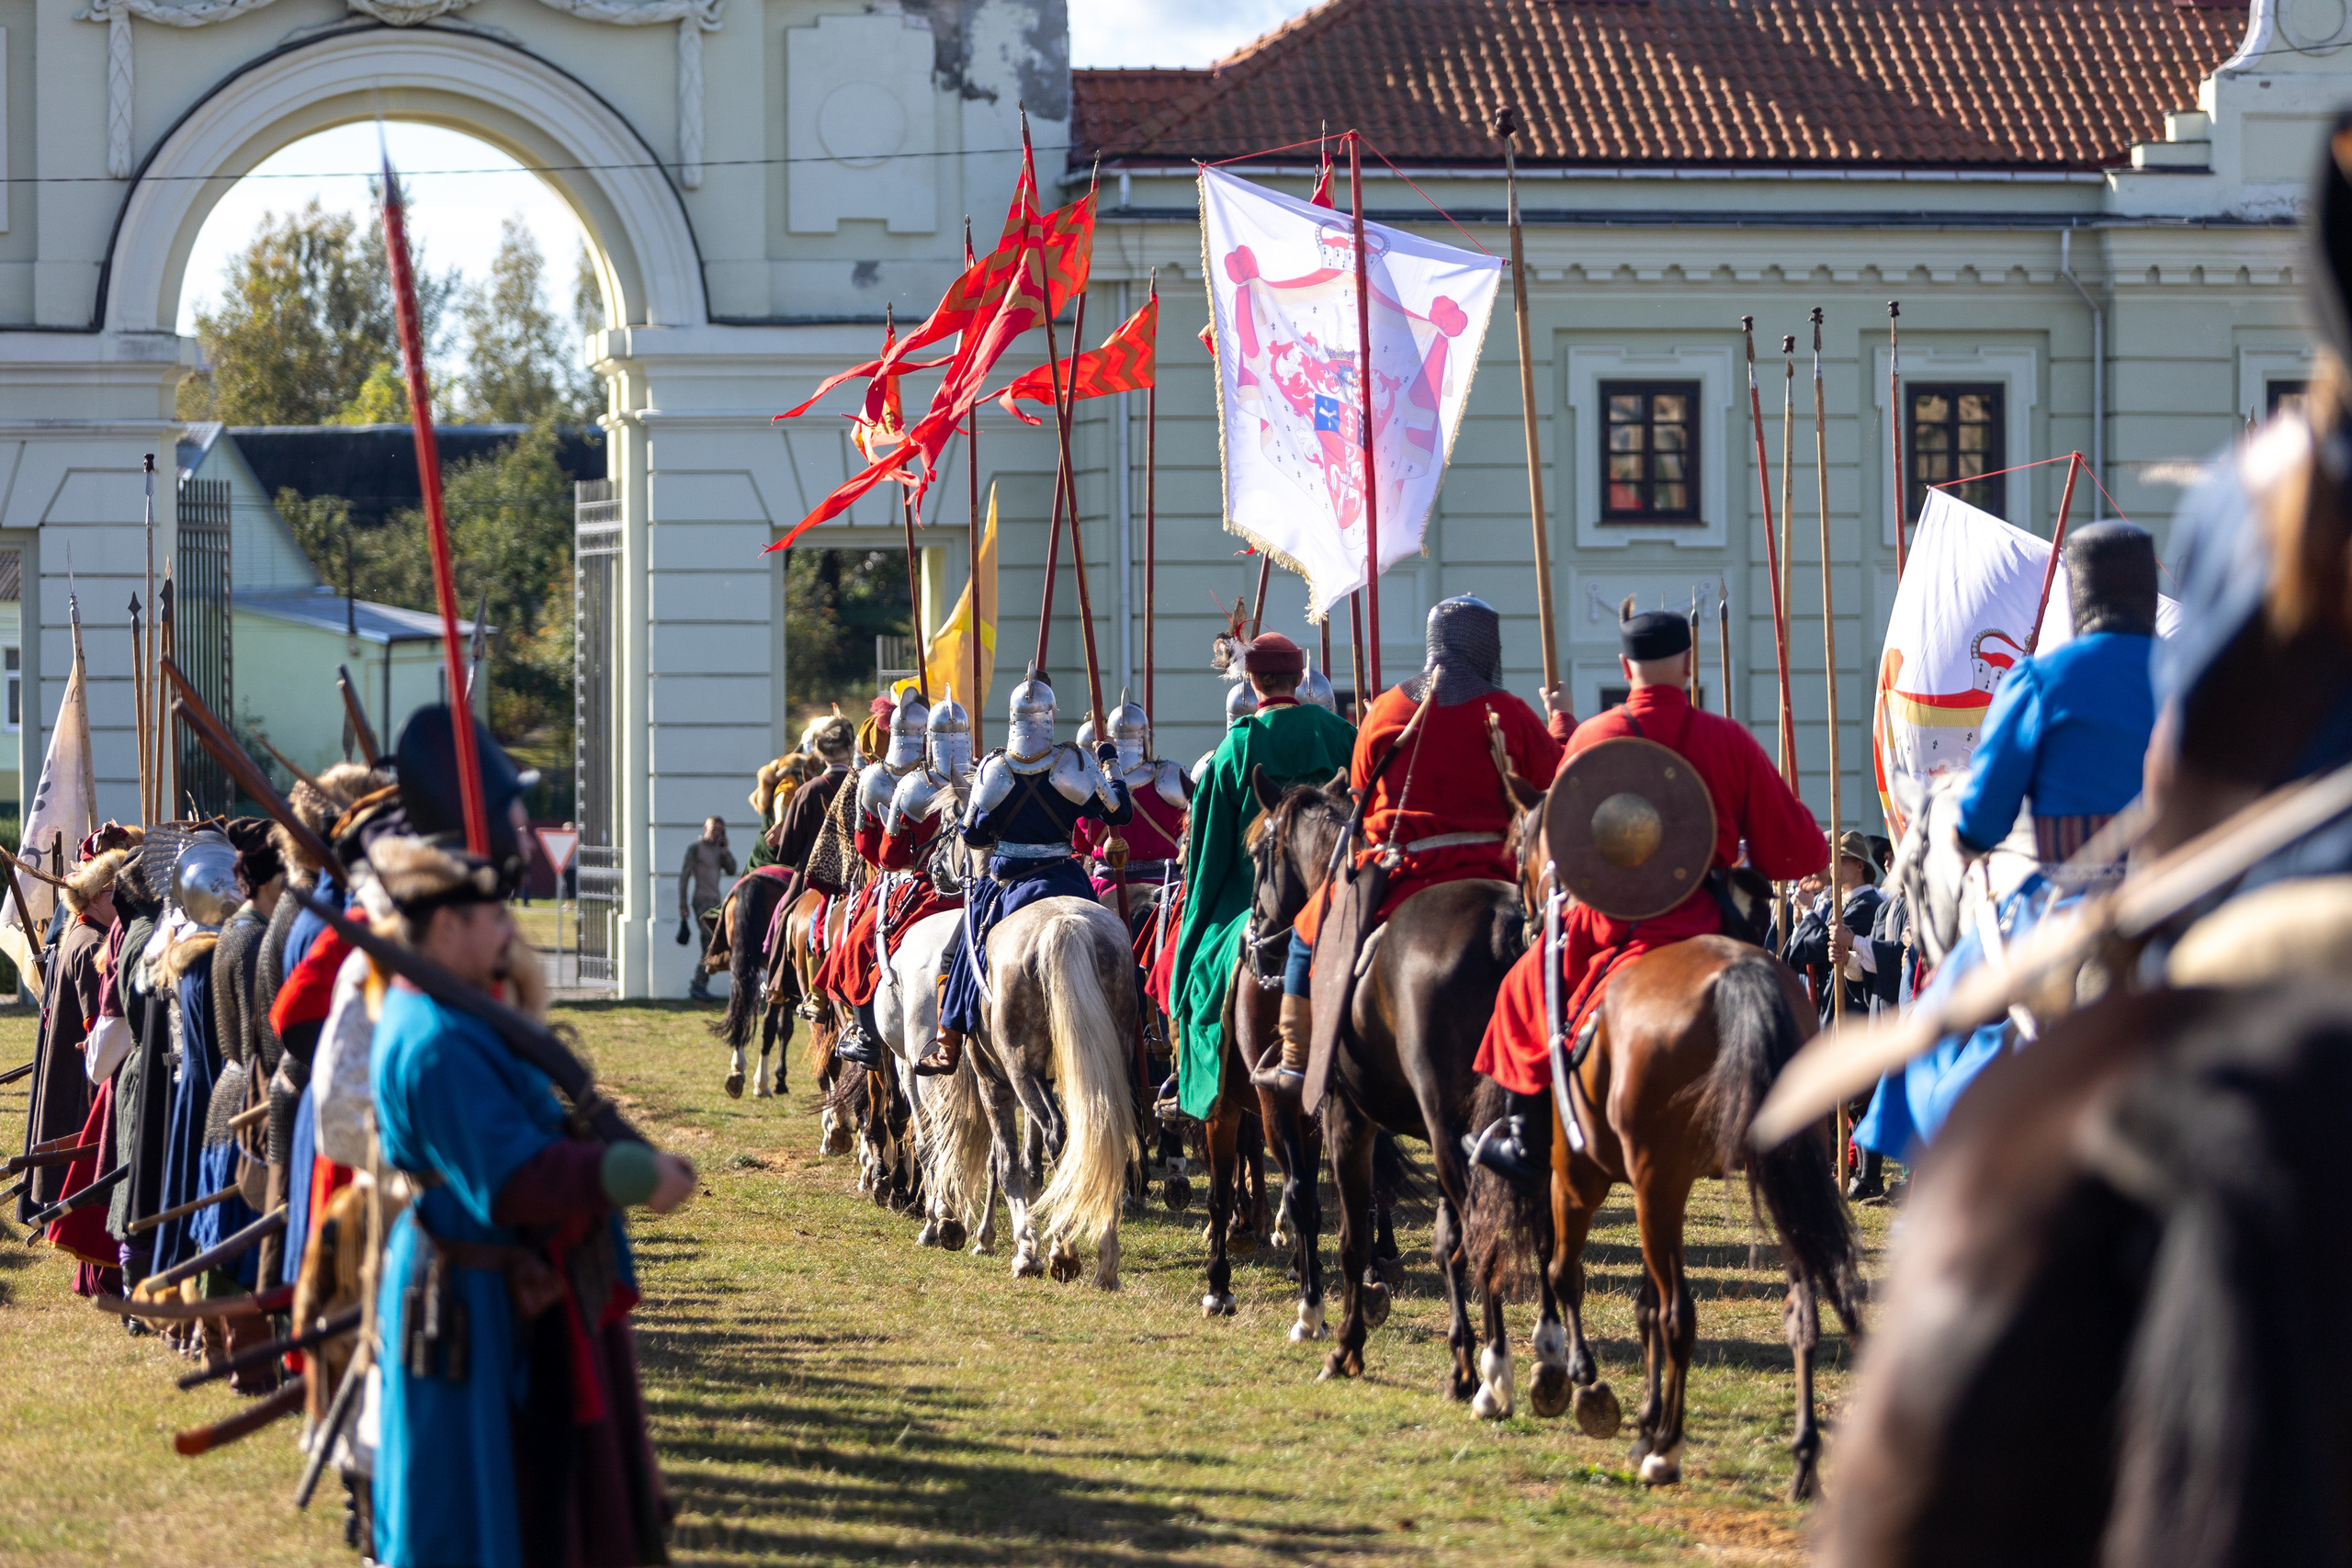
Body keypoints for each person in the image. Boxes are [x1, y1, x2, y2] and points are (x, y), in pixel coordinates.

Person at [368, 827, 695, 1568]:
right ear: (447, 926)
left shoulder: (453, 1013)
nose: (510, 928)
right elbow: (512, 1180)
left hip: (511, 1283)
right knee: (482, 1509)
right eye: (494, 916)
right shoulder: (435, 1040)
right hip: (476, 1295)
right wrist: (634, 1177)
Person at [1469, 609, 1826, 1187]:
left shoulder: (1594, 736)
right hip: (1708, 921)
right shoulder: (1728, 739)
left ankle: (1524, 1137)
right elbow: (1799, 854)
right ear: (1689, 665)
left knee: (1520, 990)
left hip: (1610, 926)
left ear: (1624, 667)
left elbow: (1562, 836)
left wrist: (1564, 728)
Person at [1854, 521, 2161, 1163]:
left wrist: (1962, 829)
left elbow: (1982, 821)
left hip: (2070, 908)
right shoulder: (2204, 673)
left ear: (2078, 600)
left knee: (1937, 1023)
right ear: (2151, 591)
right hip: (2191, 899)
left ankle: (1939, 1168)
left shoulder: (2044, 680)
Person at [1260, 597, 1572, 1097]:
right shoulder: (1508, 711)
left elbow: (1359, 797)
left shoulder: (1386, 708)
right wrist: (1560, 722)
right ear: (1485, 646)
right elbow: (1551, 778)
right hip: (1496, 872)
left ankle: (1296, 1061)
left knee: (1303, 935)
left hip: (1398, 873)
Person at [1169, 633, 1354, 1117]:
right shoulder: (1341, 735)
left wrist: (1194, 935)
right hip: (1340, 899)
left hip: (1252, 904)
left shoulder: (1236, 748)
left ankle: (1193, 1080)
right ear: (1300, 677)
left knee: (1194, 979)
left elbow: (1208, 863)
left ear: (1251, 680)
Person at [920, 668, 1133, 1077]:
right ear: (1051, 715)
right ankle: (1141, 1028)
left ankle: (948, 1041)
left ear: (1012, 716)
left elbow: (973, 836)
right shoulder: (1074, 762)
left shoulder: (994, 769)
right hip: (1068, 879)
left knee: (960, 951)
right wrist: (1110, 764)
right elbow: (1120, 811)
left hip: (1007, 884)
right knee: (1115, 939)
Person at [827, 691, 927, 1067]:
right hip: (961, 884)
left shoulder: (876, 778)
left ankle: (866, 1035)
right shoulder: (961, 773)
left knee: (856, 942)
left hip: (904, 881)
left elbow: (872, 851)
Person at [1073, 692, 1189, 909]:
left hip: (1104, 885)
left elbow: (1081, 843)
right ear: (1144, 737)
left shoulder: (1092, 783)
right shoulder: (1168, 776)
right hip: (1162, 885)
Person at [1783, 829, 1884, 1027]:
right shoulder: (1837, 902)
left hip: (1851, 1004)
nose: (1832, 866)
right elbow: (1800, 953)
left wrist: (1808, 911)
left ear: (1859, 865)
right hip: (1829, 997)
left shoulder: (1867, 904)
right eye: (1832, 860)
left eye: (1841, 861)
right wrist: (1801, 918)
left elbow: (1821, 945)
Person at [678, 817, 737, 1001]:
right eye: (714, 829)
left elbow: (732, 869)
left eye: (720, 830)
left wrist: (725, 851)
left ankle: (700, 985)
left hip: (716, 901)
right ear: (705, 828)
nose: (716, 833)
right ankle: (698, 984)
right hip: (700, 901)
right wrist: (683, 904)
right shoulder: (695, 848)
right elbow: (684, 877)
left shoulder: (719, 851)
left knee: (715, 941)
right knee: (710, 940)